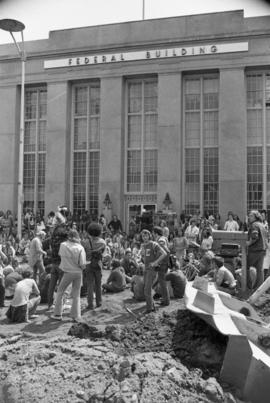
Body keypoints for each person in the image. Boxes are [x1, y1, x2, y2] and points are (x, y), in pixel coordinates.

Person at [51, 229, 86, 322]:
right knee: (76, 294)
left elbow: (61, 256)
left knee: (60, 291)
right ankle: (76, 315)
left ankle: (57, 314)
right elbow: (82, 264)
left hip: (67, 272)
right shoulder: (80, 247)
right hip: (78, 272)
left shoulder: (63, 245)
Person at [140, 229, 167, 313]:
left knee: (147, 289)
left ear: (149, 235)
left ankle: (149, 309)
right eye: (143, 236)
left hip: (152, 270)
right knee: (147, 288)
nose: (144, 237)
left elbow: (164, 253)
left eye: (146, 235)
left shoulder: (153, 244)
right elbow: (144, 258)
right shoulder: (143, 245)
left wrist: (155, 262)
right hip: (146, 269)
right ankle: (152, 306)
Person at [83, 222, 106, 310]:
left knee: (90, 285)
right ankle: (99, 302)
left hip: (88, 264)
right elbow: (104, 254)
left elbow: (83, 254)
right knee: (98, 284)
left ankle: (90, 304)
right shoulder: (102, 242)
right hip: (98, 264)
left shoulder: (85, 243)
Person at [247, 210, 268, 291]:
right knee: (260, 270)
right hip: (262, 250)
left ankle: (249, 287)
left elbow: (255, 236)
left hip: (255, 251)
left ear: (255, 217)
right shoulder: (262, 225)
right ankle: (259, 289)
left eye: (251, 215)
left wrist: (248, 243)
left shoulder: (254, 225)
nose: (249, 217)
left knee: (248, 268)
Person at [152, 226, 171, 307]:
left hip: (162, 265)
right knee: (162, 282)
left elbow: (166, 251)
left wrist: (159, 261)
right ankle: (164, 299)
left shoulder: (161, 240)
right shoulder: (164, 238)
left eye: (153, 233)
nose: (152, 234)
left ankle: (166, 301)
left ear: (156, 233)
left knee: (162, 283)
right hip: (164, 264)